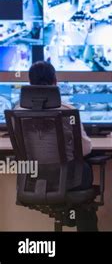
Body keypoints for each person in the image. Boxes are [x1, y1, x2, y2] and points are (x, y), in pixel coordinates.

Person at [17, 61, 97, 231]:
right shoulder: (67, 110)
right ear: (55, 81)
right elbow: (85, 149)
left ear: (30, 83)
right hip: (69, 180)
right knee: (84, 170)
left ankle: (71, 214)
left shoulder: (18, 111)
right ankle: (77, 214)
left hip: (33, 180)